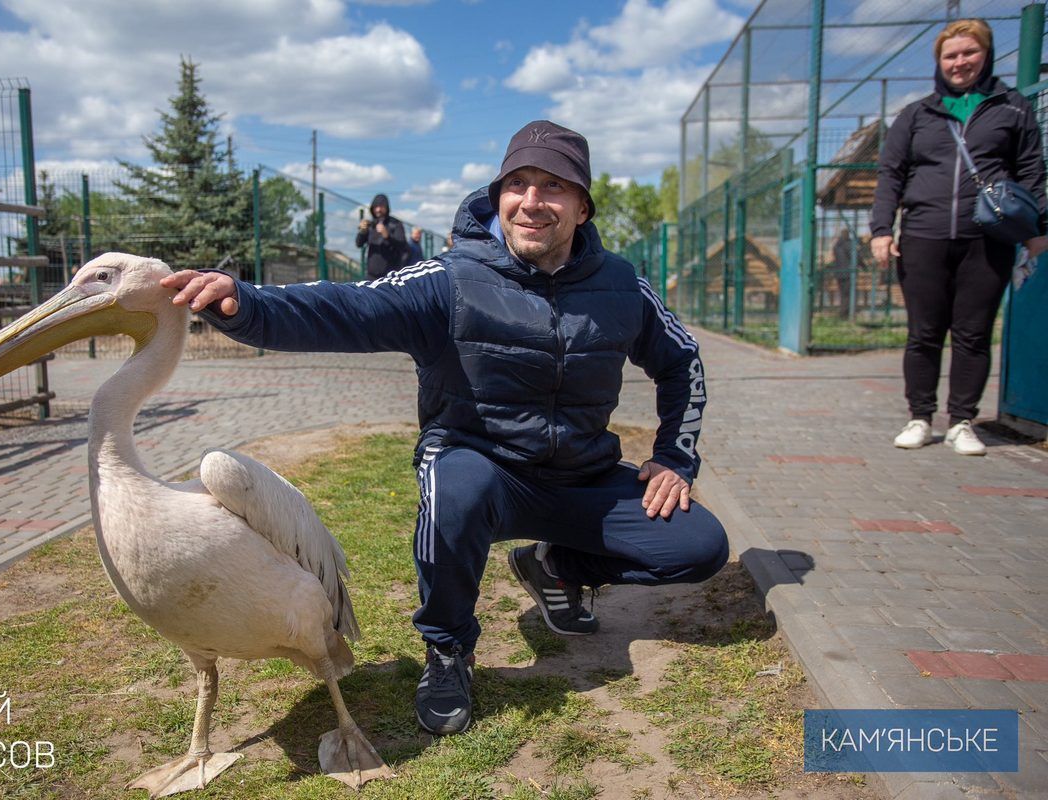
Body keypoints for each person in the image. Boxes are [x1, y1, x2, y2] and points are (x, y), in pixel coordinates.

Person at [163, 120, 729, 736]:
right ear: (498, 196)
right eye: (518, 184)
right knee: (454, 492)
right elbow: (351, 307)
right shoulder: (451, 279)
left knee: (698, 547)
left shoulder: (622, 286)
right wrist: (248, 305)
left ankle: (555, 566)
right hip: (479, 463)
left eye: (553, 186)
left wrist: (675, 455)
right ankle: (449, 650)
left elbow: (683, 361)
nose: (532, 201)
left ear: (582, 206)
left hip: (583, 477)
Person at [871, 18, 1047, 456]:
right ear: (939, 62)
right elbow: (891, 174)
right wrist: (881, 229)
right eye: (951, 55)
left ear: (985, 55)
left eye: (969, 52)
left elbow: (1032, 172)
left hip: (987, 236)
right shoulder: (917, 114)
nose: (960, 61)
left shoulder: (1013, 108)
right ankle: (920, 417)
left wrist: (1038, 231)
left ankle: (962, 421)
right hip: (924, 234)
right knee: (924, 332)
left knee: (973, 332)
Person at [356, 194, 407, 279]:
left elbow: (403, 246)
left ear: (386, 208)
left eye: (381, 206)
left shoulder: (395, 224)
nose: (378, 210)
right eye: (376, 207)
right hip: (371, 276)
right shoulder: (371, 225)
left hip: (391, 276)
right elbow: (359, 244)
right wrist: (362, 232)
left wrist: (387, 236)